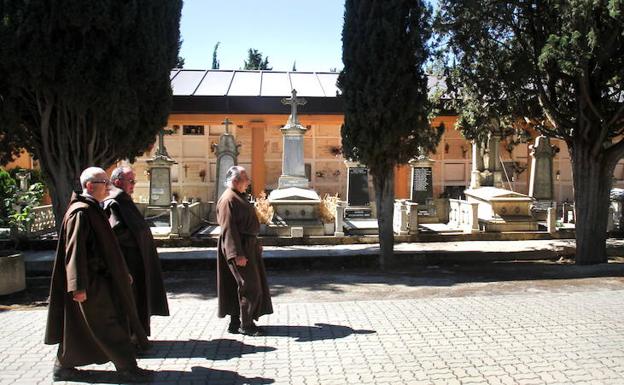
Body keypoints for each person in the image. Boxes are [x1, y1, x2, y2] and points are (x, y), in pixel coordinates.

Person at [44, 167, 152, 383]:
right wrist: (78, 286)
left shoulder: (93, 208)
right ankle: (127, 368)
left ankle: (62, 366)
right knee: (110, 325)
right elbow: (75, 251)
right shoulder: (81, 212)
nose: (109, 187)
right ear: (90, 186)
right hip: (93, 283)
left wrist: (123, 273)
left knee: (80, 327)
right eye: (105, 182)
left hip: (101, 279)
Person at [102, 166, 169, 346]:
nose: (134, 185)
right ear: (117, 182)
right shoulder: (115, 202)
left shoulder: (124, 200)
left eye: (134, 181)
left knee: (139, 299)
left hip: (138, 261)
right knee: (132, 300)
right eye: (130, 181)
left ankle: (137, 335)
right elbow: (116, 233)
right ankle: (131, 338)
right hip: (129, 262)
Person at [216, 166, 273, 336]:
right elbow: (228, 228)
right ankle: (246, 325)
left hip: (247, 245)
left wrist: (256, 243)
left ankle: (235, 323)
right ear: (235, 181)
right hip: (238, 248)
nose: (248, 181)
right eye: (245, 178)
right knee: (250, 286)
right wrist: (236, 254)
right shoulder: (228, 199)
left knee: (238, 285)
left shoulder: (238, 196)